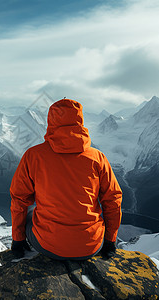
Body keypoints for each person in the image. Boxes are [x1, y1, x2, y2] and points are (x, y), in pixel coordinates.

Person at [10, 98, 122, 260]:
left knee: (29, 211)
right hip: (91, 245)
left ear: (51, 121)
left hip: (47, 245)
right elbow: (113, 199)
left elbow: (19, 198)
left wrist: (18, 239)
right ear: (80, 121)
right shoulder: (97, 157)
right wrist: (110, 240)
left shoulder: (33, 156)